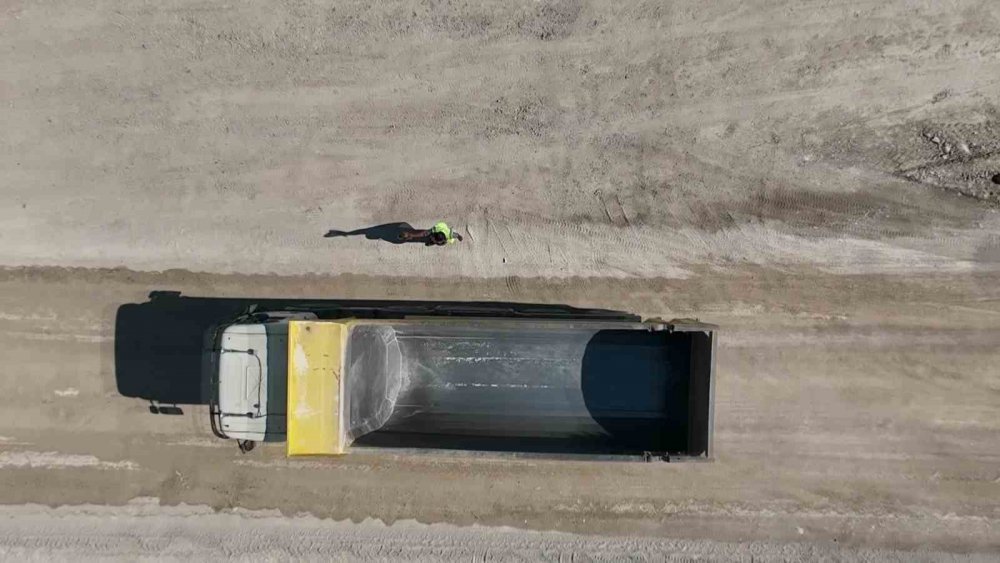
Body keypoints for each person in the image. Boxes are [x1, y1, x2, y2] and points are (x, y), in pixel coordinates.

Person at [398, 222, 463, 245]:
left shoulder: (450, 236)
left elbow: (457, 235)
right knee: (422, 233)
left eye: (435, 240)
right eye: (434, 238)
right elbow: (425, 233)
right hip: (436, 230)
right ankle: (408, 234)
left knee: (443, 243)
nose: (433, 239)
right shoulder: (437, 228)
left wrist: (460, 237)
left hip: (444, 238)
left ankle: (433, 242)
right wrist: (412, 235)